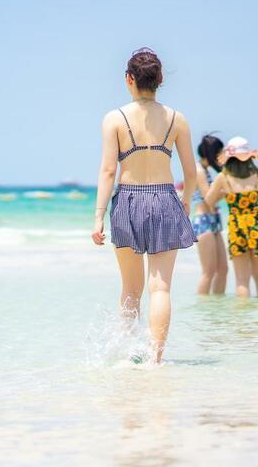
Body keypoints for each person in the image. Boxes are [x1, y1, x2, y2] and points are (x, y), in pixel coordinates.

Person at [92, 48, 197, 363]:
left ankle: (126, 356)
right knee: (161, 288)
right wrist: (187, 203)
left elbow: (109, 171)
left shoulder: (115, 118)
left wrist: (98, 217)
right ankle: (155, 360)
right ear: (159, 80)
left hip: (127, 199)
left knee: (131, 289)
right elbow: (191, 173)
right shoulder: (176, 119)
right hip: (166, 199)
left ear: (129, 79)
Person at [205, 137, 258, 298]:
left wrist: (224, 195)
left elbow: (209, 201)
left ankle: (243, 322)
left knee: (242, 281)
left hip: (237, 229)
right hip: (257, 226)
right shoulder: (256, 174)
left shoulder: (223, 178)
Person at [192, 135, 228, 295]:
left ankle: (216, 310)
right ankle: (203, 313)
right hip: (203, 221)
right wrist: (229, 189)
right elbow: (209, 199)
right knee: (208, 271)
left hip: (213, 221)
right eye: (220, 152)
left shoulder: (205, 170)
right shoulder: (199, 170)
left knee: (223, 269)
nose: (222, 156)